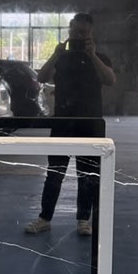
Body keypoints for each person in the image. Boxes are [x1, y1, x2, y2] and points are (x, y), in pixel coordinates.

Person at [25, 13, 116, 236]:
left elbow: (110, 80)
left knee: (87, 175)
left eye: (83, 32)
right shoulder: (62, 58)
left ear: (91, 33)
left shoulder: (100, 57)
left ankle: (84, 220)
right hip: (63, 124)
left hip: (89, 125)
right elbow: (41, 77)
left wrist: (92, 56)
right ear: (69, 30)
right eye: (75, 31)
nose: (79, 36)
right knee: (54, 173)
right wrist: (56, 54)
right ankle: (44, 218)